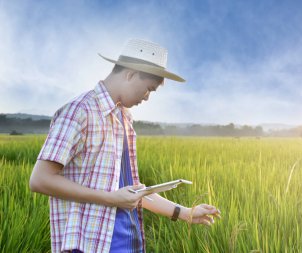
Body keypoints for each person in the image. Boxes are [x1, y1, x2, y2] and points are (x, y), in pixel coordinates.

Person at [29, 39, 221, 253]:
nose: (147, 97)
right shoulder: (78, 111)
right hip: (92, 245)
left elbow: (132, 189)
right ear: (130, 74)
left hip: (130, 242)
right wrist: (111, 199)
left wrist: (184, 212)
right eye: (148, 89)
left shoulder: (124, 119)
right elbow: (40, 180)